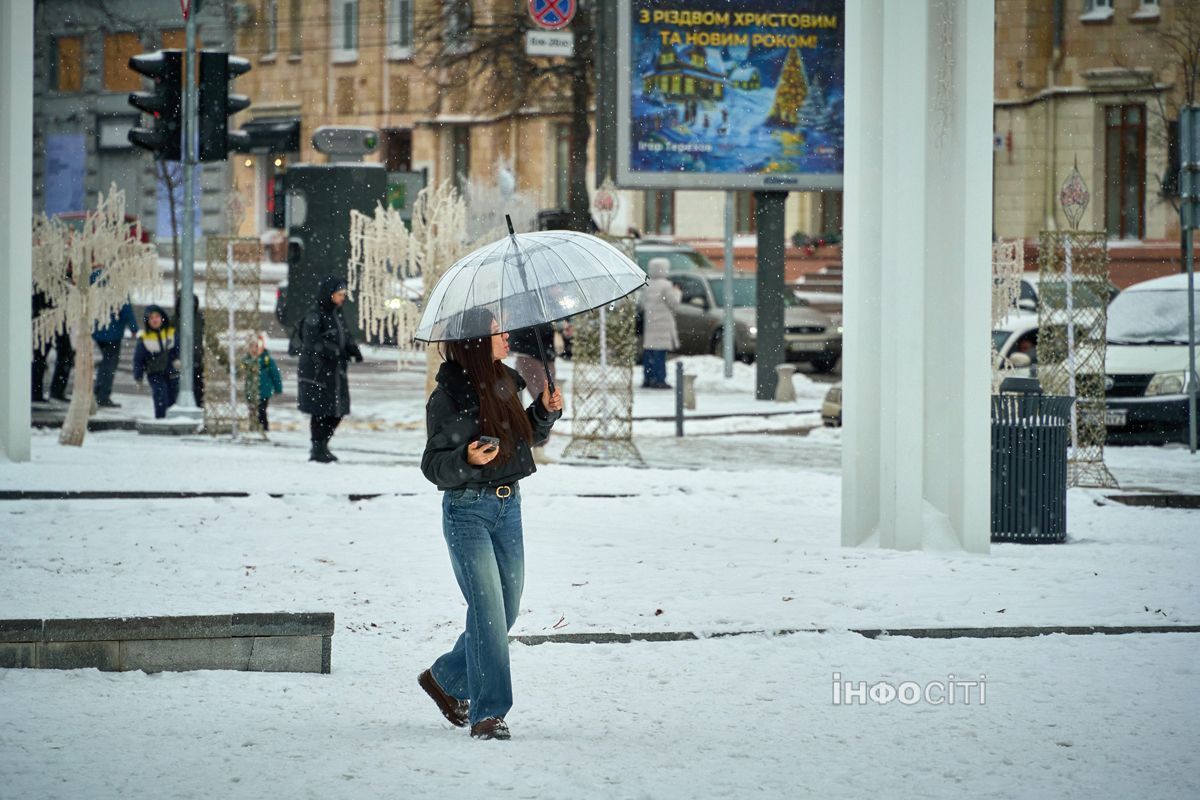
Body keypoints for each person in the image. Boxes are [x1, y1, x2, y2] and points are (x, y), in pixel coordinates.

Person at [418, 307, 563, 741]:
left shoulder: (505, 381)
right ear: (476, 340)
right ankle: (489, 713)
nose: (506, 335)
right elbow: (433, 465)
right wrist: (465, 459)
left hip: (508, 508)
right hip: (467, 511)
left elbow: (526, 440)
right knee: (487, 612)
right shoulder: (447, 396)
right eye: (498, 330)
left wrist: (543, 412)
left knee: (506, 610)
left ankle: (444, 678)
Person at [298, 275, 362, 463]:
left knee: (337, 411)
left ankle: (322, 445)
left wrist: (353, 349)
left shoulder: (336, 314)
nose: (343, 298)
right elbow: (312, 342)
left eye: (344, 294)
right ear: (329, 294)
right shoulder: (315, 314)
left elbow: (345, 336)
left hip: (335, 373)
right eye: (340, 294)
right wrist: (334, 352)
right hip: (318, 373)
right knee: (320, 411)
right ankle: (317, 448)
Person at [508, 322, 557, 462]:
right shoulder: (525, 307)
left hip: (547, 355)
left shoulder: (549, 307)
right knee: (544, 399)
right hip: (529, 355)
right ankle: (536, 448)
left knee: (551, 399)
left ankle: (538, 447)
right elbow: (519, 334)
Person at [132, 304, 180, 419]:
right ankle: (161, 419)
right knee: (160, 397)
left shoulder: (171, 333)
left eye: (157, 317)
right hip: (155, 373)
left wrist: (178, 359)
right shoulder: (144, 338)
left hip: (172, 371)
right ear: (147, 321)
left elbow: (178, 348)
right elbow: (138, 360)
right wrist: (138, 377)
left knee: (173, 397)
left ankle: (172, 420)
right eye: (151, 318)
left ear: (162, 318)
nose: (154, 320)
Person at [92, 297, 138, 408]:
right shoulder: (118, 283)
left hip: (98, 329)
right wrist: (134, 328)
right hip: (113, 332)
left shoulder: (94, 280)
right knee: (110, 363)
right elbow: (126, 309)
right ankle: (103, 395)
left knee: (106, 362)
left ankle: (98, 390)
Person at [641, 257, 680, 389]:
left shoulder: (648, 284)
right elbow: (674, 303)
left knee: (649, 352)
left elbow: (642, 303)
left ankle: (648, 378)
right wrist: (677, 292)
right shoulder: (666, 285)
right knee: (660, 354)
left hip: (650, 323)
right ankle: (660, 379)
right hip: (663, 325)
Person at [31, 290, 74, 403]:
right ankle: (50, 391)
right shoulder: (47, 281)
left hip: (50, 317)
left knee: (41, 356)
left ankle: (39, 392)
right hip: (50, 318)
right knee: (42, 356)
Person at [245, 335, 284, 432]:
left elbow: (275, 375)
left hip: (264, 392)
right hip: (251, 392)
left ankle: (264, 428)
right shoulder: (247, 361)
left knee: (262, 411)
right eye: (251, 347)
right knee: (252, 411)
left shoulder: (267, 360)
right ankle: (253, 428)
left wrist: (278, 388)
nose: (253, 350)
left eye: (256, 347)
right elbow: (240, 370)